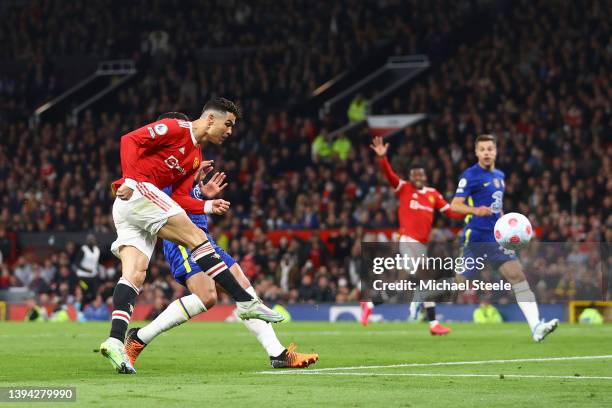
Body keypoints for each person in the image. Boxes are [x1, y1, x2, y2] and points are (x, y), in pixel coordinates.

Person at [100, 98, 283, 374]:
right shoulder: (175, 127)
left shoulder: (195, 157)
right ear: (211, 119)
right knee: (198, 238)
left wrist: (208, 204)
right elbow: (129, 140)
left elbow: (184, 197)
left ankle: (115, 340)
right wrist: (130, 180)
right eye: (228, 124)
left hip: (131, 208)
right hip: (138, 194)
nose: (230, 131)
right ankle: (245, 302)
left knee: (135, 273)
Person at [123, 112, 318, 369]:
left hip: (204, 238)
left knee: (242, 285)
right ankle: (139, 338)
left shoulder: (189, 161)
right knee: (207, 297)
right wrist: (203, 202)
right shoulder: (163, 162)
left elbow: (183, 198)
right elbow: (168, 203)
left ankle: (278, 353)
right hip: (181, 240)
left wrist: (202, 195)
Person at [450, 134, 558, 342]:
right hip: (476, 238)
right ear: (476, 152)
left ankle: (536, 327)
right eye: (482, 149)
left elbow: (497, 209)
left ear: (496, 151)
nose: (487, 153)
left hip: (495, 238)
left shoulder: (499, 175)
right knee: (459, 283)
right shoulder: (470, 175)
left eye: (490, 148)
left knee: (517, 275)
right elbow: (455, 205)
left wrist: (511, 229)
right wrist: (475, 210)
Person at [365, 136, 463, 335]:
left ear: (425, 177)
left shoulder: (433, 194)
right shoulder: (405, 188)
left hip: (421, 244)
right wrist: (382, 158)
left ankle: (372, 303)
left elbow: (451, 212)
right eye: (414, 174)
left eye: (420, 174)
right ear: (410, 177)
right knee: (423, 280)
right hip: (409, 240)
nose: (417, 177)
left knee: (411, 282)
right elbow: (389, 174)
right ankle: (433, 323)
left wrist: (471, 210)